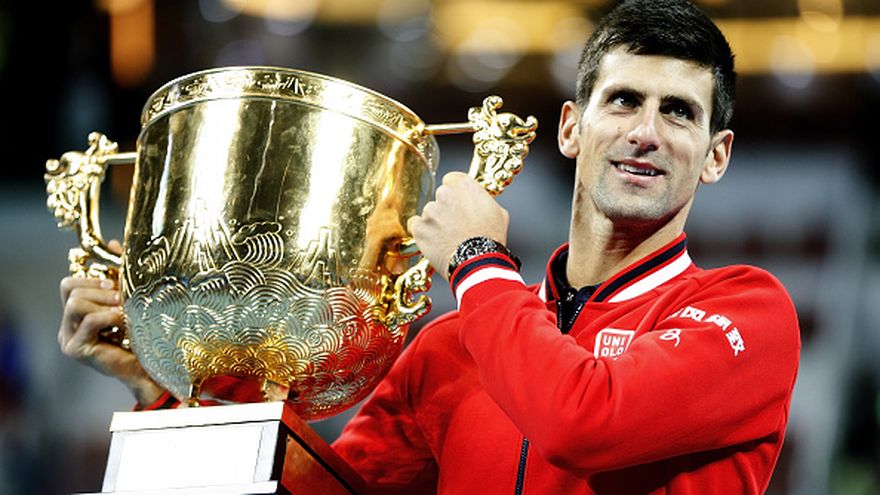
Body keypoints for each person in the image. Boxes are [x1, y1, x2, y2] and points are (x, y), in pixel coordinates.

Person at [58, 0, 800, 493]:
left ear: (716, 155)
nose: (645, 132)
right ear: (572, 128)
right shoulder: (450, 348)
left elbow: (584, 422)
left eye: (679, 112)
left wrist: (476, 262)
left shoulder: (748, 314)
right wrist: (169, 389)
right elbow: (318, 491)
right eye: (624, 100)